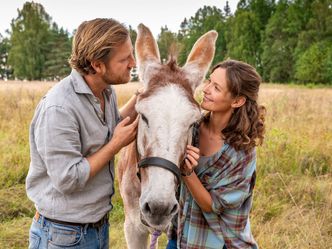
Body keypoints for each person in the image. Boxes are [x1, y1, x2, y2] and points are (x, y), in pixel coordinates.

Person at [26, 18, 139, 249]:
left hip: (95, 228)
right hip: (63, 235)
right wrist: (115, 145)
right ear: (97, 65)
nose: (133, 63)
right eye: (124, 58)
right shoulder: (59, 108)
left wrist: (141, 99)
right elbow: (68, 178)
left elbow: (109, 127)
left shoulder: (104, 92)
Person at [167, 59, 266, 249]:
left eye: (216, 88)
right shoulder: (191, 130)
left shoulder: (241, 153)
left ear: (237, 101)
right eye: (209, 82)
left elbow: (212, 205)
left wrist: (188, 173)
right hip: (181, 237)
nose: (206, 89)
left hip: (222, 243)